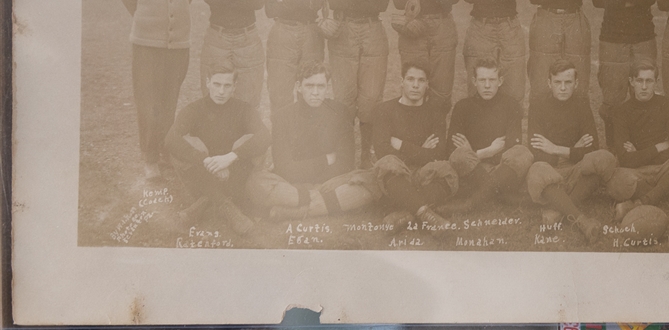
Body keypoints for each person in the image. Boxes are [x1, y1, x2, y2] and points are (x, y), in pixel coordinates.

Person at [121, 0, 199, 179]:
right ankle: (150, 157)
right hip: (146, 42)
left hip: (178, 42)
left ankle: (165, 152)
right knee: (147, 102)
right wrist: (149, 20)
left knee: (169, 101)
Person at [247, 63, 380, 220]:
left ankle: (293, 210)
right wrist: (326, 160)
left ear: (327, 87)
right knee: (256, 182)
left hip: (326, 183)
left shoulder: (340, 111)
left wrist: (319, 182)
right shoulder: (282, 116)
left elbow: (345, 163)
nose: (315, 92)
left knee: (370, 182)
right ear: (299, 87)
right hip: (294, 184)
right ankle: (323, 204)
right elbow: (284, 168)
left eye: (320, 86)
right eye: (309, 86)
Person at [165, 63, 269, 235]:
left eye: (227, 86)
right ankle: (228, 207)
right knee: (184, 144)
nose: (221, 91)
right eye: (216, 84)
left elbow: (265, 136)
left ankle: (203, 204)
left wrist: (231, 157)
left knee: (253, 141)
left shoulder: (243, 109)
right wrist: (205, 161)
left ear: (234, 87)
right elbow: (170, 139)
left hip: (235, 173)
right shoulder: (194, 109)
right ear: (207, 83)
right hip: (202, 174)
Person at [524, 59, 618, 242]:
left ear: (576, 83)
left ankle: (557, 209)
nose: (563, 88)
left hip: (576, 168)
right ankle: (581, 221)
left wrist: (554, 148)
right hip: (550, 169)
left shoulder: (581, 103)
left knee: (604, 158)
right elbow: (537, 153)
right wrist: (574, 148)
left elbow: (593, 148)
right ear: (549, 83)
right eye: (558, 82)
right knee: (537, 170)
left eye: (568, 83)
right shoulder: (538, 105)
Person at [371, 62, 468, 231]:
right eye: (410, 79)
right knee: (388, 163)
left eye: (421, 80)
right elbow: (382, 151)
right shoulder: (384, 110)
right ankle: (426, 215)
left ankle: (405, 214)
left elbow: (438, 154)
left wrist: (401, 144)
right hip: (396, 177)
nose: (415, 85)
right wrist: (422, 150)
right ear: (402, 81)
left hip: (424, 175)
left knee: (447, 169)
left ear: (427, 84)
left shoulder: (435, 113)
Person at [604, 63, 669, 221]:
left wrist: (638, 153)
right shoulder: (622, 111)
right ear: (631, 81)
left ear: (656, 82)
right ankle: (668, 191)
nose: (644, 86)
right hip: (638, 172)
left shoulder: (665, 104)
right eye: (639, 81)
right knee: (615, 180)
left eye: (649, 81)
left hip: (665, 167)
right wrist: (658, 147)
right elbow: (625, 159)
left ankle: (642, 201)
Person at [326, 0, 391, 165]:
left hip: (373, 31)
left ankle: (366, 154)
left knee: (371, 97)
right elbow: (332, 2)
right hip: (343, 32)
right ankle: (345, 156)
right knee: (344, 96)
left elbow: (381, 3)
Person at [441, 59, 535, 215]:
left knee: (522, 153)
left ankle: (469, 204)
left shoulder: (511, 105)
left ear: (500, 81)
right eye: (482, 80)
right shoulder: (462, 107)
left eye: (491, 80)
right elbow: (451, 150)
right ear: (474, 81)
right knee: (459, 155)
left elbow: (512, 146)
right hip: (473, 170)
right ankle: (504, 196)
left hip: (502, 169)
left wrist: (472, 151)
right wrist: (488, 152)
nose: (487, 85)